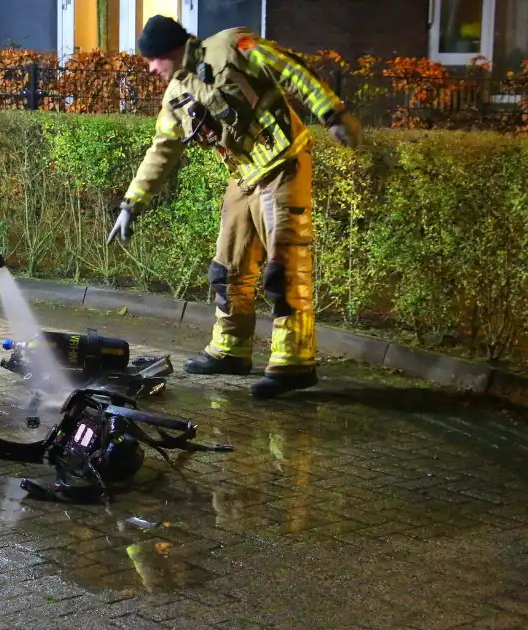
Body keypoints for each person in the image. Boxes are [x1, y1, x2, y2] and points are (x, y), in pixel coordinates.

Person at [109, 16, 362, 399]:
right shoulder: (176, 95)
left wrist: (332, 113)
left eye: (153, 60)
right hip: (243, 174)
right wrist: (131, 204)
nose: (150, 68)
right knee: (227, 268)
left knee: (284, 266)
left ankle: (294, 362)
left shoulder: (231, 46)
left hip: (281, 162)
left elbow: (289, 69)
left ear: (169, 52)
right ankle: (230, 349)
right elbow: (162, 149)